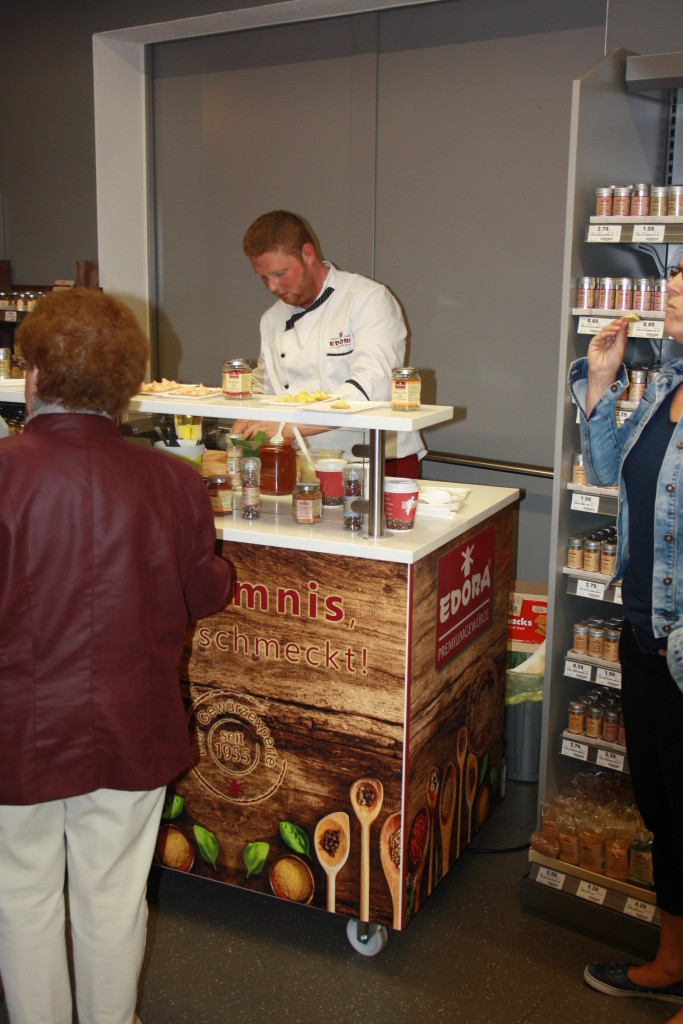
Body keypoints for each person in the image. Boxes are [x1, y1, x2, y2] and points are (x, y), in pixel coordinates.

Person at [0, 288, 233, 1024]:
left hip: (16, 731)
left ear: (33, 374)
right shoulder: (174, 481)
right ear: (126, 383)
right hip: (133, 726)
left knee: (23, 895)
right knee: (111, 897)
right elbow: (207, 594)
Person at [568, 255, 683, 1019]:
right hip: (645, 630)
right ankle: (671, 961)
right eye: (673, 281)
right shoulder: (668, 384)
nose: (672, 290)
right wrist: (602, 385)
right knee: (665, 808)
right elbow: (605, 467)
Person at [233, 210, 424, 478]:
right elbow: (265, 388)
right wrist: (243, 416)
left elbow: (373, 386)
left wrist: (289, 425)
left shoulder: (367, 299)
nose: (272, 287)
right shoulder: (271, 319)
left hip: (375, 461)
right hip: (305, 463)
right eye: (263, 278)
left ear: (308, 254)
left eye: (279, 274)